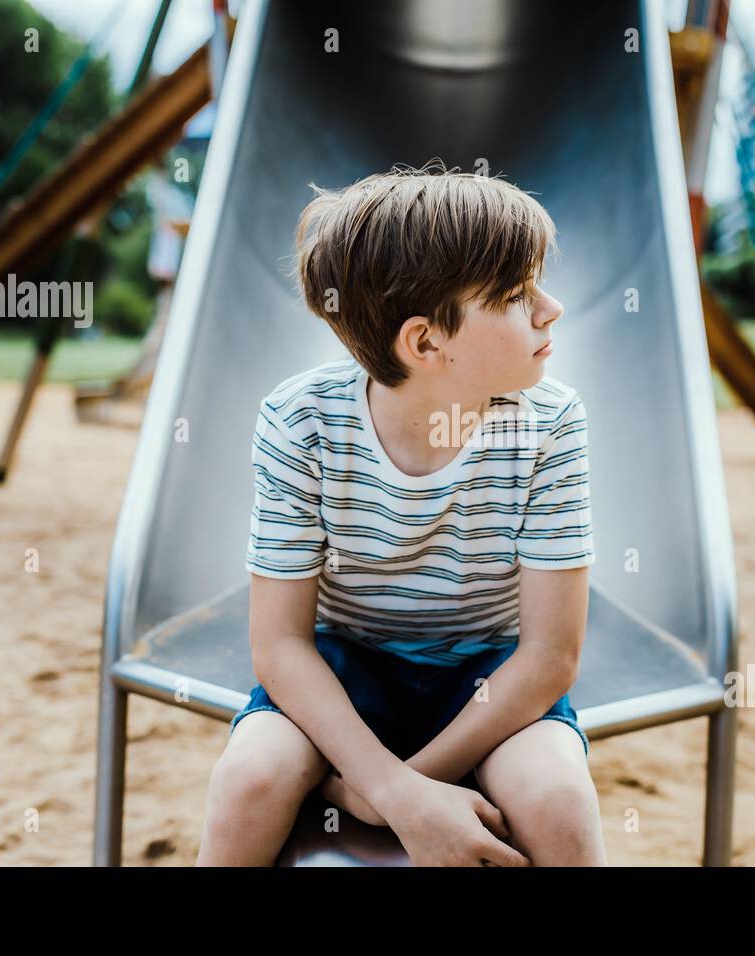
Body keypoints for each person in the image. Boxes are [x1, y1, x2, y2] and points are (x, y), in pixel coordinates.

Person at [196, 160, 605, 866]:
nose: (550, 308)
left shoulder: (550, 422)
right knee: (247, 781)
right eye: (515, 294)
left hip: (490, 677)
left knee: (557, 800)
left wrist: (399, 786)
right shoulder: (302, 421)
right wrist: (394, 792)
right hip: (345, 672)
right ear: (424, 343)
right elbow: (281, 645)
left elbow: (549, 657)